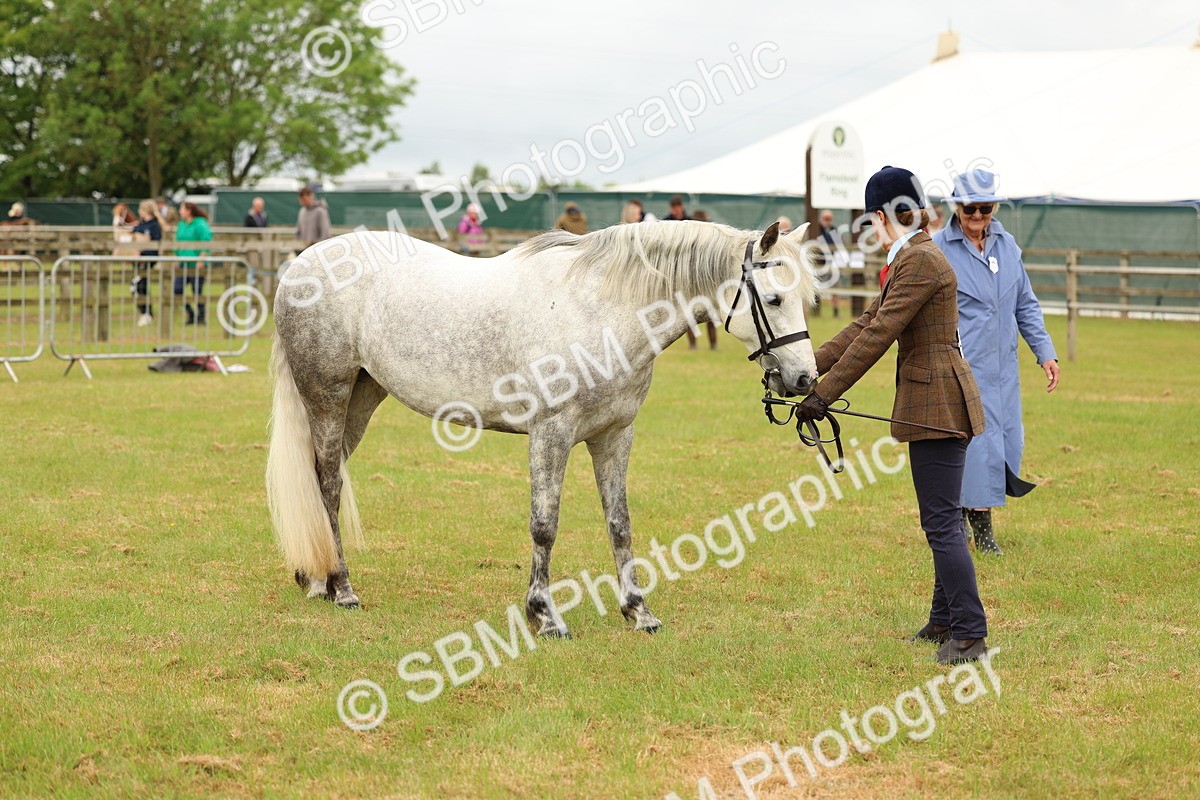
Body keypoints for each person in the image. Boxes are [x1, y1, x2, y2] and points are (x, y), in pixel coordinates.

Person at [796, 166, 988, 665]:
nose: (871, 231)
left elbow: (880, 334)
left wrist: (823, 395)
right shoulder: (914, 257)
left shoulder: (920, 261)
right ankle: (945, 619)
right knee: (940, 518)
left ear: (882, 217)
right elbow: (868, 321)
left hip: (938, 402)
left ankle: (970, 633)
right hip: (938, 399)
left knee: (941, 522)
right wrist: (809, 367)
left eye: (871, 221)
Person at [933, 168, 1060, 556]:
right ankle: (970, 525)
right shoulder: (938, 249)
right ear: (957, 207)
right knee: (968, 449)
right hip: (962, 369)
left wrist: (1045, 352)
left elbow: (1026, 304)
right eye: (970, 208)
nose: (977, 216)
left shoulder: (1007, 246)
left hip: (1003, 371)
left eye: (985, 209)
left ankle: (974, 519)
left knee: (1003, 444)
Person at [175, 202, 212, 326]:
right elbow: (177, 242)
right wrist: (177, 257)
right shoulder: (181, 225)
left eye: (182, 209)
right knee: (177, 290)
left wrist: (201, 259)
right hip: (183, 263)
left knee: (197, 291)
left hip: (196, 263)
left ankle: (201, 317)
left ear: (189, 211)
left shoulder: (201, 224)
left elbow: (206, 242)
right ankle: (191, 314)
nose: (180, 211)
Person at [131, 199, 165, 327]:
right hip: (137, 259)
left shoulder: (154, 226)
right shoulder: (140, 224)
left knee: (140, 284)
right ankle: (145, 312)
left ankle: (147, 313)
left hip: (148, 258)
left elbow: (156, 243)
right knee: (137, 286)